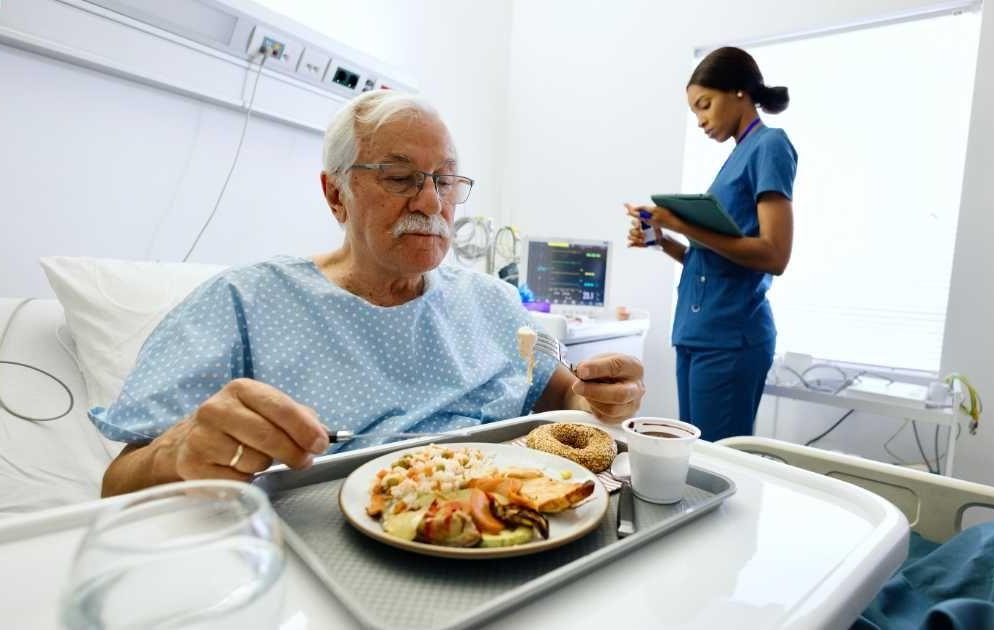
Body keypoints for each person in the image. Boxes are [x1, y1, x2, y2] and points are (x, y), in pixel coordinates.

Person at [96, 90, 646, 497]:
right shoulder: (247, 303)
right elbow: (118, 483)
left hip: (519, 517)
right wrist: (180, 450)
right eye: (400, 178)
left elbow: (558, 396)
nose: (432, 203)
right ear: (336, 194)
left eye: (445, 180)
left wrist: (596, 396)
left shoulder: (492, 302)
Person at [625, 47, 796, 442]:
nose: (701, 120)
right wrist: (663, 240)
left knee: (720, 462)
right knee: (698, 455)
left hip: (730, 336)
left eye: (705, 105)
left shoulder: (769, 145)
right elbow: (711, 261)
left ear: (738, 91)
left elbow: (775, 254)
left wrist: (680, 221)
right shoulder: (738, 156)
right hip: (698, 333)